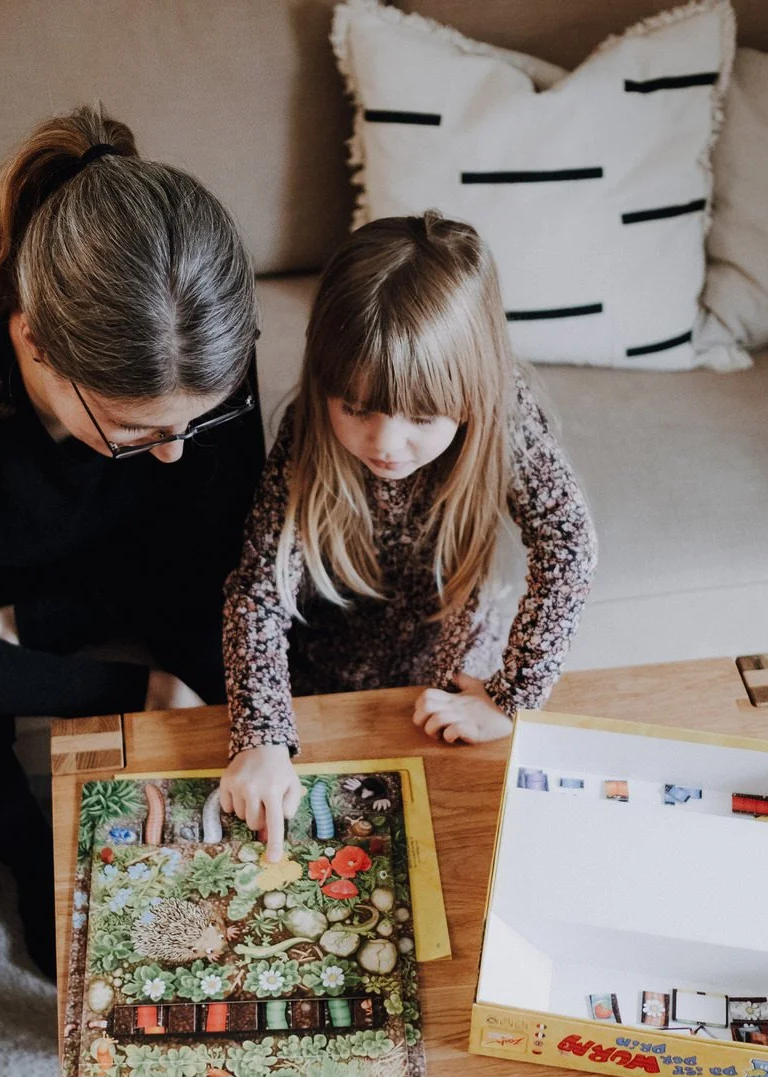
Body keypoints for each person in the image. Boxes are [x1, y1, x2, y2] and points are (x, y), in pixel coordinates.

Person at [0, 106, 265, 978]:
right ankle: (34, 862)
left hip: (120, 557)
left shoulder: (194, 343)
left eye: (199, 416)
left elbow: (217, 541)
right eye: (141, 429)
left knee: (260, 668)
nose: (178, 449)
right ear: (33, 341)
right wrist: (134, 690)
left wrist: (40, 619)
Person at [220, 212, 597, 857]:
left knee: (461, 835)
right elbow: (257, 592)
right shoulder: (307, 433)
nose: (386, 444)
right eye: (356, 408)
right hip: (322, 670)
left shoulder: (505, 412)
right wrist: (261, 736)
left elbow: (568, 542)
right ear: (324, 385)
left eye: (422, 414)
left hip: (451, 673)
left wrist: (512, 698)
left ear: (474, 390)